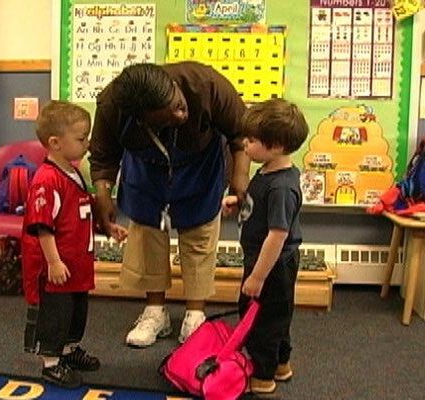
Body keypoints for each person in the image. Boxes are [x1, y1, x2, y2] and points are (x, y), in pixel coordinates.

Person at [89, 61, 250, 347]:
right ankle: (154, 312)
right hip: (146, 168)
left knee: (200, 237)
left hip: (200, 167)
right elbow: (103, 156)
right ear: (143, 118)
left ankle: (195, 313)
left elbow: (241, 133)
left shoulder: (206, 84)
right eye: (169, 115)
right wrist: (103, 195)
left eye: (178, 104)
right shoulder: (113, 104)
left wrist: (240, 179)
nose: (179, 112)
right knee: (147, 236)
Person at [21, 100, 127, 388]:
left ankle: (68, 350)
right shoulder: (46, 180)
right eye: (81, 139)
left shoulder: (72, 172)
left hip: (77, 265)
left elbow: (78, 212)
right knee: (56, 315)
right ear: (55, 143)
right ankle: (51, 363)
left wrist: (107, 227)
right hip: (59, 267)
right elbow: (42, 226)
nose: (88, 144)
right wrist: (53, 262)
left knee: (76, 313)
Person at [222, 98, 309, 394]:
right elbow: (261, 204)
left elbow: (277, 235)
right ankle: (281, 364)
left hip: (271, 265)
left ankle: (263, 376)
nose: (245, 144)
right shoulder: (269, 170)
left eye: (252, 140)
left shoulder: (282, 186)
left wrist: (257, 276)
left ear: (277, 146)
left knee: (263, 320)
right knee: (278, 315)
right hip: (264, 260)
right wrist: (240, 201)